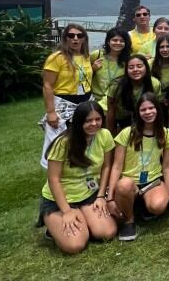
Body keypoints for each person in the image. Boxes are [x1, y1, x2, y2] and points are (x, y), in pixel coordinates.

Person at [39, 101, 116, 254]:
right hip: (61, 200)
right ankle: (53, 226)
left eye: (98, 119)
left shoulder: (105, 135)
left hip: (89, 194)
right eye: (88, 120)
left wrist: (101, 196)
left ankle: (83, 219)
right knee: (75, 245)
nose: (94, 124)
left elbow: (107, 166)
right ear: (78, 121)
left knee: (107, 232)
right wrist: (67, 211)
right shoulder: (63, 143)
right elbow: (53, 179)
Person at [107, 93, 169, 241]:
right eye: (143, 110)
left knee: (158, 206)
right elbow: (116, 166)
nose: (148, 112)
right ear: (137, 113)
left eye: (152, 108)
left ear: (158, 110)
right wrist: (110, 197)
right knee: (125, 185)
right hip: (128, 181)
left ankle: (143, 206)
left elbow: (167, 166)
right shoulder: (127, 133)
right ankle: (129, 220)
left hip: (152, 181)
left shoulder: (166, 134)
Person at [41, 24, 93, 168]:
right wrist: (51, 112)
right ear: (65, 38)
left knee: (82, 139)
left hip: (84, 102)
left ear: (84, 39)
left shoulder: (86, 56)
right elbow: (47, 85)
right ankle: (54, 176)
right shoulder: (56, 58)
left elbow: (83, 75)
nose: (75, 39)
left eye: (79, 36)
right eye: (71, 36)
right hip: (64, 103)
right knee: (59, 142)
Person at [106, 55, 163, 134]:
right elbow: (111, 110)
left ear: (146, 67)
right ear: (126, 70)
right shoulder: (116, 85)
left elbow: (157, 108)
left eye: (139, 66)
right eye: (131, 67)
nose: (135, 70)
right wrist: (110, 133)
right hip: (123, 122)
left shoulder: (154, 83)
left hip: (146, 120)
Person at [90, 28, 130, 109]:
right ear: (108, 41)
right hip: (94, 100)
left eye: (122, 41)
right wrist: (93, 69)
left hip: (115, 102)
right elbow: (84, 76)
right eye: (114, 40)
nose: (118, 43)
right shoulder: (97, 55)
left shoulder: (128, 61)